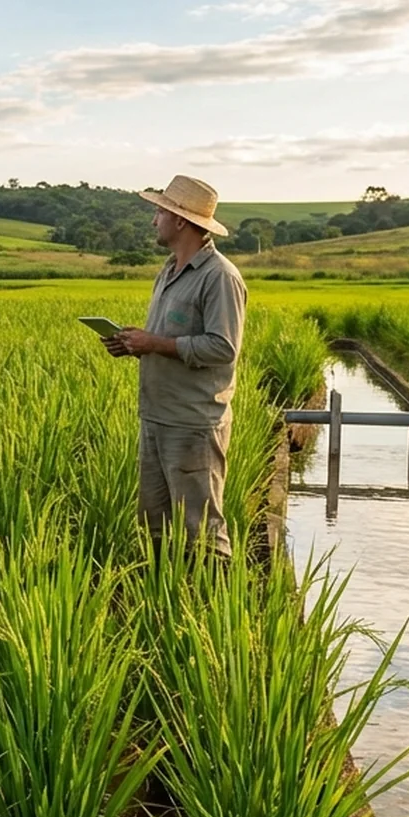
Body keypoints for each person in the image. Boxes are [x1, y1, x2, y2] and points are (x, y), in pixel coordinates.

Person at [103, 175, 247, 558]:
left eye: (159, 212)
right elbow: (170, 340)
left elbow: (223, 347)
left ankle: (212, 610)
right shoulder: (169, 270)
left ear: (180, 221)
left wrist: (156, 343)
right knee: (156, 525)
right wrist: (136, 345)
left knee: (201, 530)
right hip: (157, 415)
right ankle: (166, 601)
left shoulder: (220, 276)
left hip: (193, 422)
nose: (154, 221)